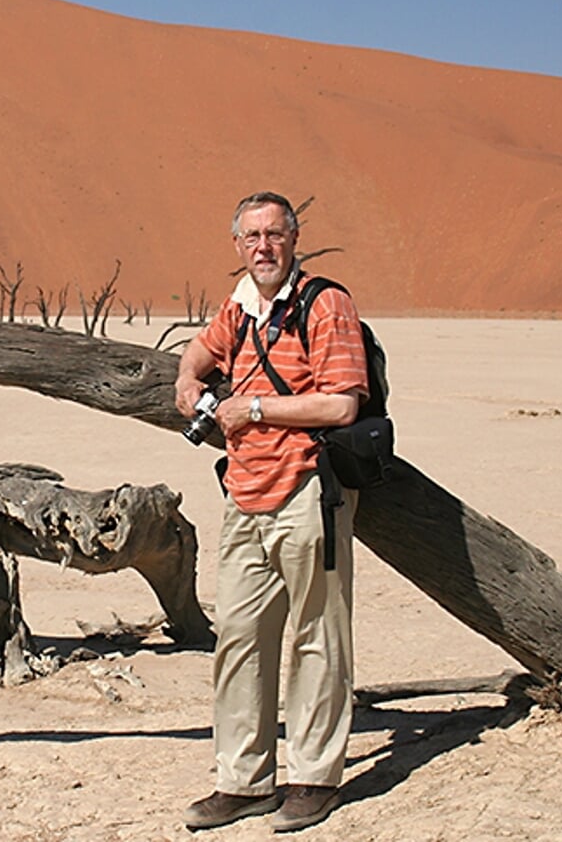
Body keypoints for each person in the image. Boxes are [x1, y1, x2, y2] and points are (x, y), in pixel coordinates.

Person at [175, 191, 368, 833]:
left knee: (317, 634)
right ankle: (243, 781)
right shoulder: (242, 306)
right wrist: (189, 381)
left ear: (294, 239)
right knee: (239, 638)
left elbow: (341, 405)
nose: (263, 247)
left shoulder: (326, 304)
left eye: (275, 234)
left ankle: (313, 778)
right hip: (245, 493)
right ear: (237, 245)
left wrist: (252, 409)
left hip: (309, 487)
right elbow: (198, 356)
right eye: (252, 236)